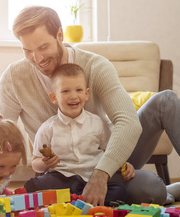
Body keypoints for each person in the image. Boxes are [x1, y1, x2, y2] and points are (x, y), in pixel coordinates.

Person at [0, 5, 180, 214]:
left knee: (166, 100)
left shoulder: (96, 66)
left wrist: (102, 173)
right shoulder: (14, 77)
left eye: (43, 47)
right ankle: (167, 192)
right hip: (62, 175)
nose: (37, 59)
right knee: (151, 191)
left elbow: (128, 121)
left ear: (60, 35)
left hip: (107, 158)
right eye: (27, 50)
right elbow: (1, 136)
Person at [26, 63, 136, 205]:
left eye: (79, 90)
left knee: (120, 190)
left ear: (86, 94)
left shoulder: (97, 122)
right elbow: (35, 163)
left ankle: (73, 201)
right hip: (61, 178)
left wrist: (124, 164)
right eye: (65, 91)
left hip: (92, 178)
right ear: (54, 97)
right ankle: (81, 201)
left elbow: (110, 150)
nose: (73, 96)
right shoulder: (47, 128)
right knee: (31, 186)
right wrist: (44, 163)